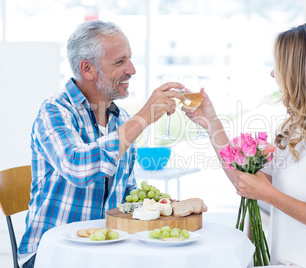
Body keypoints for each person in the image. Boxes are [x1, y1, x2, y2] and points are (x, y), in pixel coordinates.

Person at [182, 23, 306, 267]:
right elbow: (245, 181)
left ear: (299, 72)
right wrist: (212, 123)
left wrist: (270, 195)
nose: (273, 74)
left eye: (278, 65)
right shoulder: (296, 129)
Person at [18, 20, 185, 268]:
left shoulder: (122, 120)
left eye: (130, 58)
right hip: (54, 254)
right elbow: (78, 167)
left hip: (106, 251)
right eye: (120, 62)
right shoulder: (55, 111)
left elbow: (126, 193)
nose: (132, 69)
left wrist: (158, 206)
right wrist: (143, 118)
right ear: (88, 69)